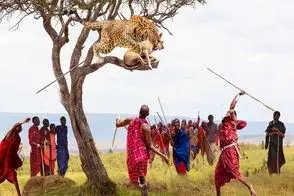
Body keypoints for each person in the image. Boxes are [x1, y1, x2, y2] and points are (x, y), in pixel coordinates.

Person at [116, 105, 169, 196]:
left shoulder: (130, 120)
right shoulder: (146, 127)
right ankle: (144, 189)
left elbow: (118, 125)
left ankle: (142, 188)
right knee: (142, 178)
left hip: (132, 156)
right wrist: (163, 155)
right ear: (147, 114)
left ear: (139, 111)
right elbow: (150, 145)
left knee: (134, 183)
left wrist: (117, 120)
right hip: (142, 156)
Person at [215, 91, 256, 196]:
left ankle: (250, 188)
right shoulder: (224, 124)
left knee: (234, 171)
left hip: (231, 150)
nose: (228, 114)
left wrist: (238, 95)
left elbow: (232, 106)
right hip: (224, 152)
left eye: (231, 114)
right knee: (218, 173)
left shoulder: (232, 122)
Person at [0, 118, 30, 196]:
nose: (19, 128)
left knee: (13, 175)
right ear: (15, 127)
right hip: (2, 157)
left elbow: (14, 149)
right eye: (18, 127)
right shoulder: (10, 133)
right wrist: (23, 122)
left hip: (9, 158)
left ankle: (19, 194)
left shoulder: (18, 138)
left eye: (20, 128)